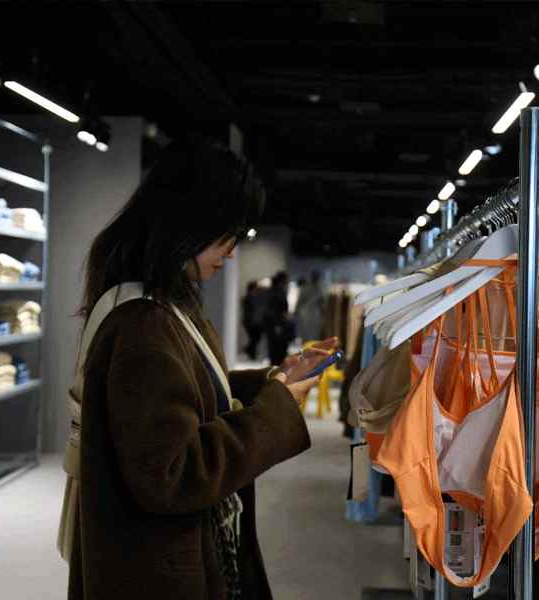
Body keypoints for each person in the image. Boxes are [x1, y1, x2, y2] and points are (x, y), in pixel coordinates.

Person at [58, 138, 337, 600]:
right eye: (226, 235)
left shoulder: (161, 305)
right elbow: (172, 472)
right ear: (186, 224)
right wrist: (276, 409)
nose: (231, 252)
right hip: (156, 567)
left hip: (157, 553)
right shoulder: (145, 324)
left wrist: (274, 380)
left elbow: (181, 395)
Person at [265, 270, 294, 366]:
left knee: (274, 351)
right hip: (278, 326)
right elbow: (279, 310)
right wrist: (278, 325)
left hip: (274, 326)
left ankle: (274, 371)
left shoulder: (272, 291)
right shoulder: (279, 292)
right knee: (278, 351)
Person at [295, 270, 325, 343]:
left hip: (312, 314)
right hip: (308, 314)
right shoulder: (309, 288)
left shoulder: (319, 288)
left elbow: (322, 303)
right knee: (308, 334)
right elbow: (300, 301)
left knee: (312, 334)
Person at [241, 280, 266, 360]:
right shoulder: (250, 297)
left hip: (251, 321)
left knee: (254, 339)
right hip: (252, 321)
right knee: (254, 338)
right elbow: (254, 310)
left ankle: (250, 351)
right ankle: (250, 352)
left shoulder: (250, 297)